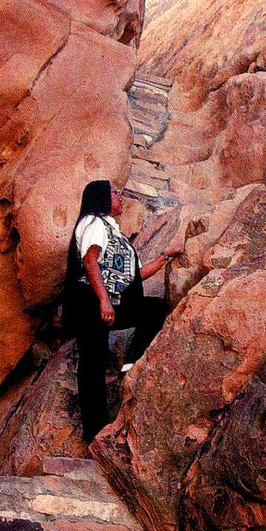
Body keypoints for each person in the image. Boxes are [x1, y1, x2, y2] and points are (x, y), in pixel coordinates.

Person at [64, 179, 181, 443]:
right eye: (114, 193)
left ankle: (132, 359)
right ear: (102, 198)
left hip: (114, 301)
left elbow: (135, 275)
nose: (119, 196)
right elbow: (90, 260)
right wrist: (103, 300)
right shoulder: (93, 223)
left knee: (154, 309)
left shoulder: (115, 233)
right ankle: (95, 433)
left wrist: (165, 257)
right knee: (93, 362)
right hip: (92, 301)